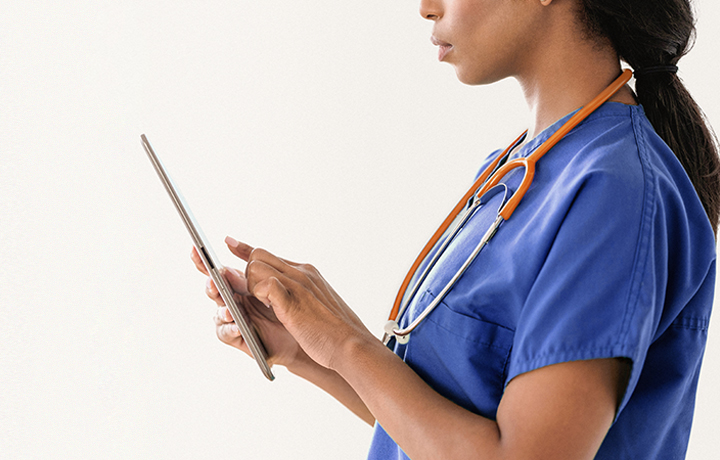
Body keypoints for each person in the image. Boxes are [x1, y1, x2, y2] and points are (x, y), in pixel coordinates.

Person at [191, 0, 719, 458]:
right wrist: (305, 350)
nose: (425, 7)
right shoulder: (514, 168)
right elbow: (445, 421)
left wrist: (346, 344)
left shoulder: (614, 191)